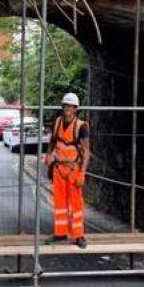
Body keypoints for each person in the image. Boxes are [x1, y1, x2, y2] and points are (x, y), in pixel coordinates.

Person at [44, 93, 90, 248]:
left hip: (73, 170)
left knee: (76, 204)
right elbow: (52, 141)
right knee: (59, 203)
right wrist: (48, 157)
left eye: (70, 106)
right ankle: (60, 233)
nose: (67, 109)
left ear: (76, 109)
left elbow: (86, 152)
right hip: (58, 168)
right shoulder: (57, 122)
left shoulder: (80, 127)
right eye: (65, 106)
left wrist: (82, 173)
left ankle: (78, 236)